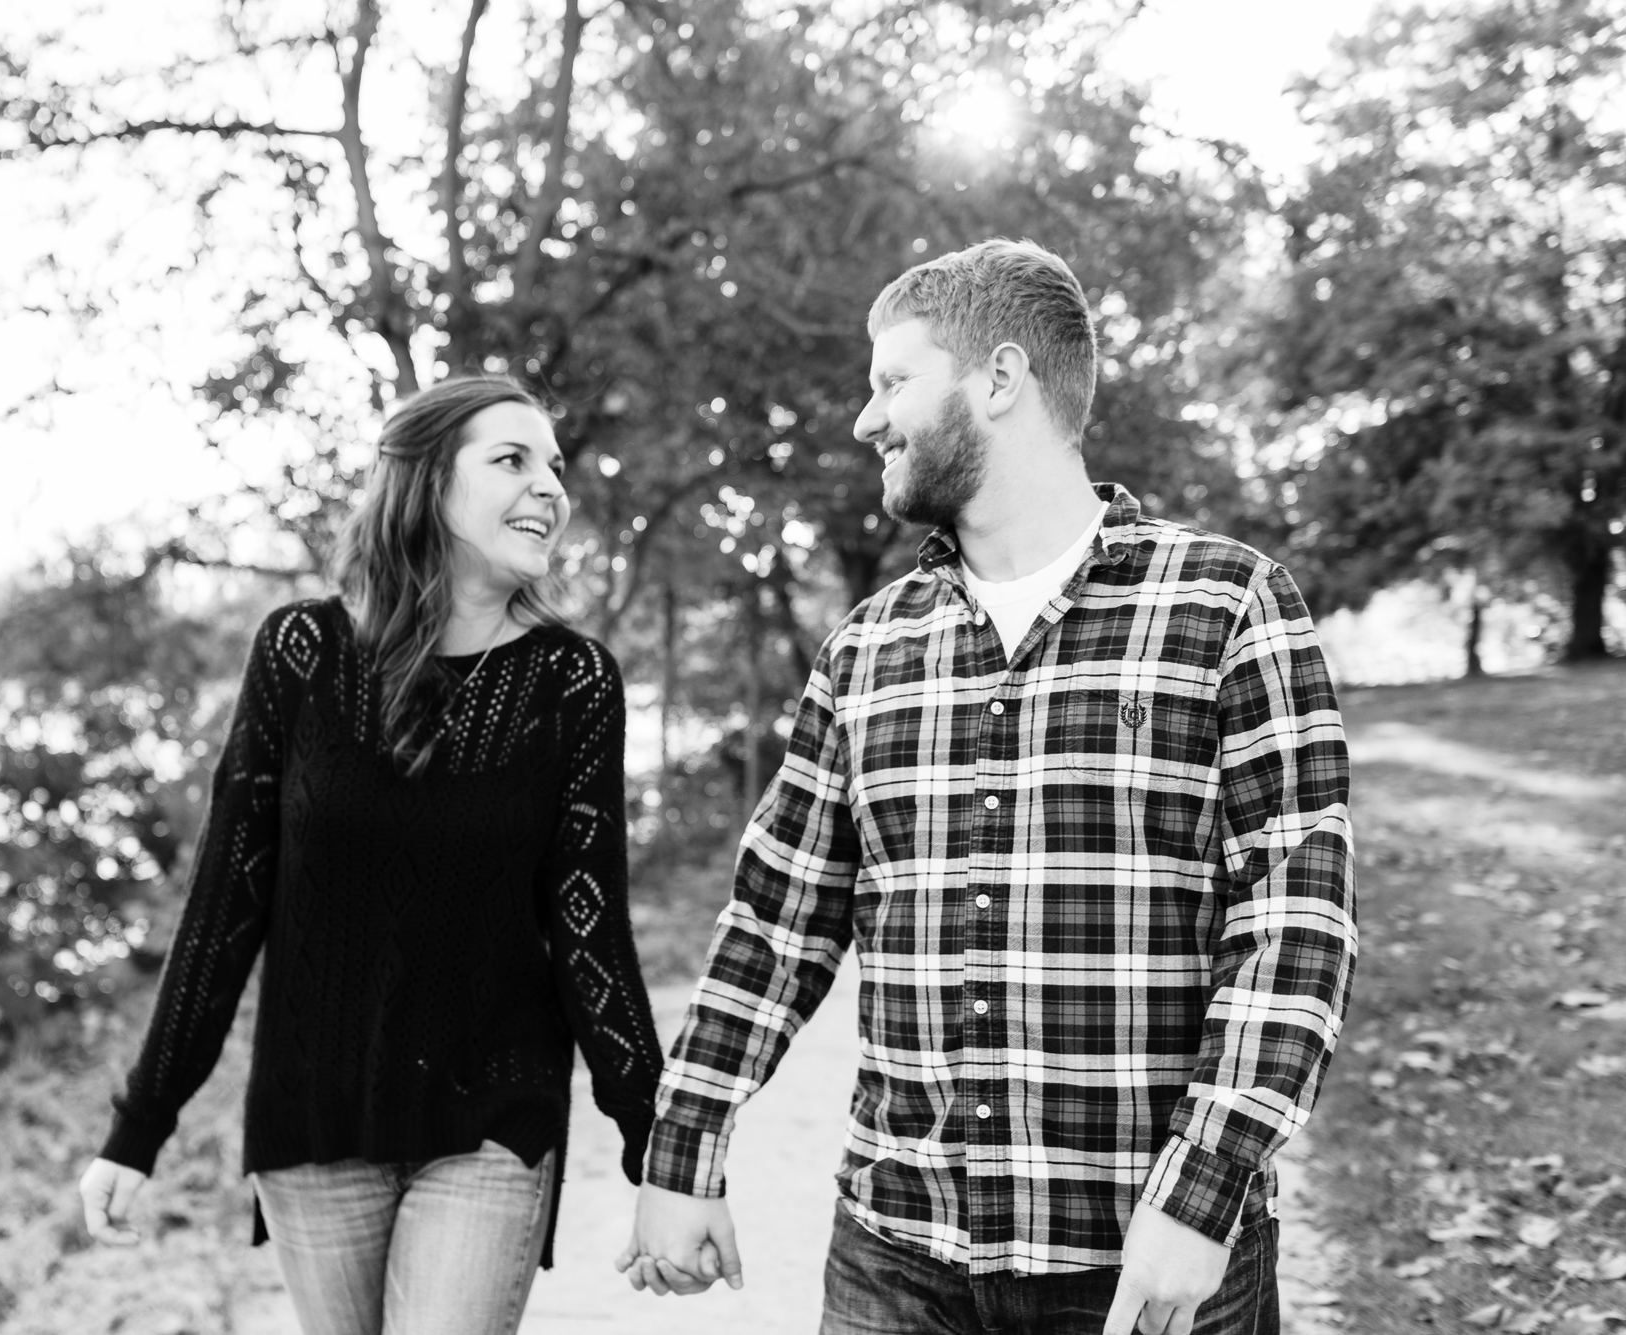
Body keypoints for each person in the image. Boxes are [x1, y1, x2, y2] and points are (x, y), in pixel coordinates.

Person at [618, 239, 1355, 1335]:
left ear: (997, 380)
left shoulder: (1224, 605)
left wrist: (1203, 1192)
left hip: (1139, 1260)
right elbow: (776, 924)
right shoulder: (865, 649)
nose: (866, 421)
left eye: (891, 382)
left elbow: (1292, 923)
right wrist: (683, 1149)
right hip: (894, 1261)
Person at [79, 374, 664, 1335]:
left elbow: (590, 932)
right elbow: (226, 906)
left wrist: (658, 1143)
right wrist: (138, 1127)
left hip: (490, 1122)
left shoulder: (573, 680)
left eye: (555, 466)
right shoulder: (300, 653)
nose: (551, 486)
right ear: (426, 481)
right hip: (315, 1122)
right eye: (512, 459)